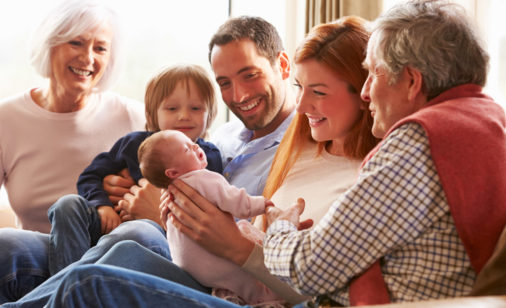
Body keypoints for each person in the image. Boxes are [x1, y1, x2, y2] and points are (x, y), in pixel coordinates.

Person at [36, 16, 383, 308]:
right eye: (225, 83)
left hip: (237, 279)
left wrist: (171, 218)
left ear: (365, 91)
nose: (303, 105)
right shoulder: (241, 141)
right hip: (206, 259)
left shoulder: (362, 173)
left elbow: (311, 276)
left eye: (318, 92)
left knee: (108, 261)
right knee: (19, 249)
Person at [0, 15, 300, 307]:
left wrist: (158, 214)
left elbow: (243, 229)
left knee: (132, 236)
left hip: (193, 256)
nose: (239, 94)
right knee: (7, 247)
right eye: (224, 82)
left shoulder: (298, 148)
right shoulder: (225, 136)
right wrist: (108, 195)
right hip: (120, 231)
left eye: (250, 74)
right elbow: (108, 170)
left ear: (283, 66)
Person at [261, 0, 506, 306]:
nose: (366, 93)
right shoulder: (488, 121)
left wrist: (279, 228)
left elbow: (311, 267)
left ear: (412, 82)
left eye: (373, 74)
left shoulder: (419, 141)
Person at [0, 0, 169, 303]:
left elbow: (179, 177)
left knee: (135, 237)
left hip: (113, 256)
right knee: (5, 243)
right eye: (76, 42)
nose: (88, 57)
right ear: (49, 45)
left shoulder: (134, 117)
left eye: (100, 48)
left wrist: (137, 188)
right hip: (40, 256)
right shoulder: (6, 119)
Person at [47, 64, 223, 275]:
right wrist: (103, 206)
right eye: (172, 108)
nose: (184, 116)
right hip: (108, 222)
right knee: (66, 204)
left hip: (155, 237)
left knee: (136, 232)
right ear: (152, 113)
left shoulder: (209, 156)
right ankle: (64, 281)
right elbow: (90, 176)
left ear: (210, 114)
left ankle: (73, 287)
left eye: (196, 108)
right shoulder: (134, 144)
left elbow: (211, 205)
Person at [139, 129, 283, 306]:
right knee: (244, 237)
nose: (195, 146)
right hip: (215, 262)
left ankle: (227, 295)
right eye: (186, 149)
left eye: (193, 143)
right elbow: (236, 202)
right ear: (173, 172)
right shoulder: (203, 179)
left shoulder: (170, 193)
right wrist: (262, 204)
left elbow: (175, 230)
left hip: (186, 266)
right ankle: (262, 298)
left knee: (131, 237)